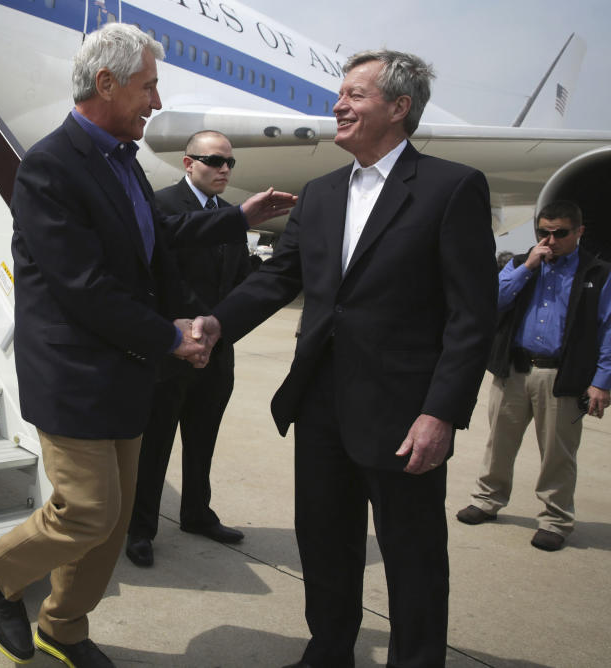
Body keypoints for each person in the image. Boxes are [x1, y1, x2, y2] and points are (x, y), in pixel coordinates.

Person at [0, 23, 295, 667]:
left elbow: (157, 239)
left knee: (113, 524)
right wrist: (169, 336)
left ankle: (63, 628)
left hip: (126, 372)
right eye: (148, 86)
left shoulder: (124, 164)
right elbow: (82, 285)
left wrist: (238, 218)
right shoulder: (49, 167)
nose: (155, 100)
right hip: (74, 375)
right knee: (87, 510)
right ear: (106, 83)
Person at [195, 50, 498, 667]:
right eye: (341, 94)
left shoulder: (450, 188)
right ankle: (328, 652)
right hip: (322, 406)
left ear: (399, 106)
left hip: (404, 416)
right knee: (325, 546)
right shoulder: (322, 193)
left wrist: (440, 412)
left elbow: (472, 318)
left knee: (412, 558)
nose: (338, 105)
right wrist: (214, 324)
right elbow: (278, 280)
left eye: (355, 95)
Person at [126, 130, 256, 568]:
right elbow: (158, 283)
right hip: (170, 352)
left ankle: (197, 513)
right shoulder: (161, 207)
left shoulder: (231, 216)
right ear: (188, 163)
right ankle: (140, 528)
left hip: (217, 354)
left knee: (203, 440)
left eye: (229, 163)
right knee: (155, 445)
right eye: (214, 161)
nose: (224, 170)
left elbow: (236, 281)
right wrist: (191, 332)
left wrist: (221, 330)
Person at [457, 200, 611, 552]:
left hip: (561, 374)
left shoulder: (597, 274)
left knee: (558, 452)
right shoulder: (520, 265)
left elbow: (608, 329)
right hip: (514, 368)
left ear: (579, 232)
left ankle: (555, 518)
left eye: (560, 234)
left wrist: (602, 381)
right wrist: (526, 267)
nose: (551, 240)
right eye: (544, 232)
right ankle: (488, 499)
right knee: (499, 441)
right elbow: (491, 302)